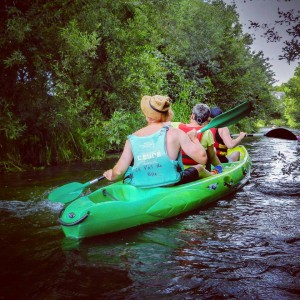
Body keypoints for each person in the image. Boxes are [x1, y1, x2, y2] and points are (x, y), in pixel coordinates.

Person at [103, 95, 208, 188]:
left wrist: (111, 174)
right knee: (198, 168)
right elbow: (202, 159)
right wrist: (194, 138)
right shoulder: (176, 133)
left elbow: (119, 171)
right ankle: (213, 175)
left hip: (141, 183)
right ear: (167, 113)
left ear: (148, 117)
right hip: (170, 183)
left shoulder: (132, 138)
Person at [178, 103, 223, 175]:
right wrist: (221, 167)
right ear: (207, 119)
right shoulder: (207, 133)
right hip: (197, 172)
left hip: (179, 169)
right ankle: (213, 173)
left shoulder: (177, 127)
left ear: (192, 115)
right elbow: (212, 157)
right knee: (212, 150)